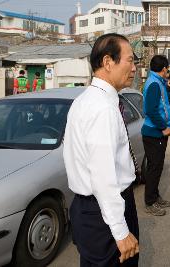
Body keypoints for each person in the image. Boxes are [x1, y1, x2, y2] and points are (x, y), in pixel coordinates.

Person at [63, 33, 139, 266]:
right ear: (108, 62)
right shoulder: (102, 108)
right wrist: (120, 231)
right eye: (130, 60)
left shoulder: (85, 100)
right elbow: (103, 177)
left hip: (91, 210)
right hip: (102, 214)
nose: (134, 68)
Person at [141, 55, 170, 216]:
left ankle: (154, 196)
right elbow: (151, 110)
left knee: (157, 166)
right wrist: (163, 127)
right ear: (164, 69)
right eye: (167, 68)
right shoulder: (154, 84)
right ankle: (149, 202)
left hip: (157, 133)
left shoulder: (157, 82)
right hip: (154, 133)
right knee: (154, 167)